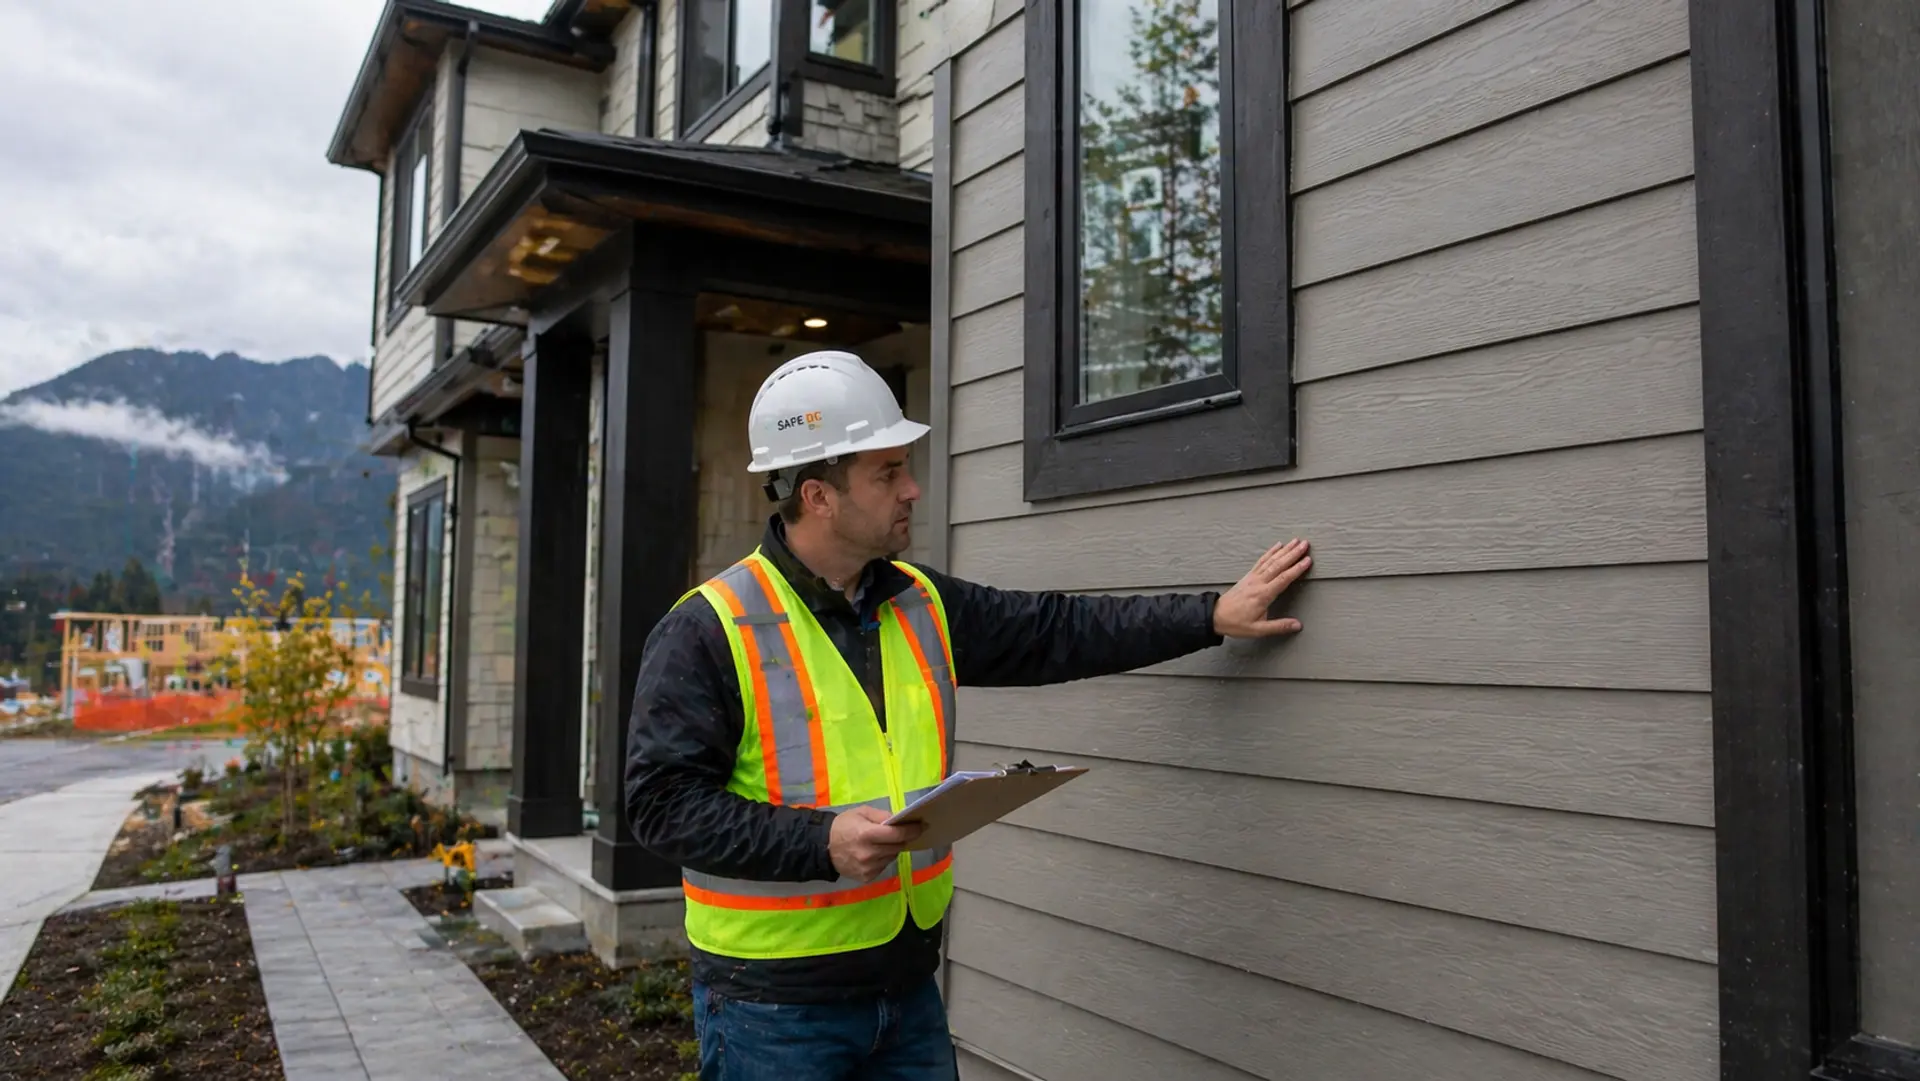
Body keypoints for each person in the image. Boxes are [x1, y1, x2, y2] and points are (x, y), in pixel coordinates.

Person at [624, 349, 1312, 1081]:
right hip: (773, 1014)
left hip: (909, 992)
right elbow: (660, 805)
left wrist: (1210, 615)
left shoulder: (920, 601)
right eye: (888, 472)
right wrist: (817, 839)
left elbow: (1055, 632)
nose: (912, 487)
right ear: (819, 495)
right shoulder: (711, 628)